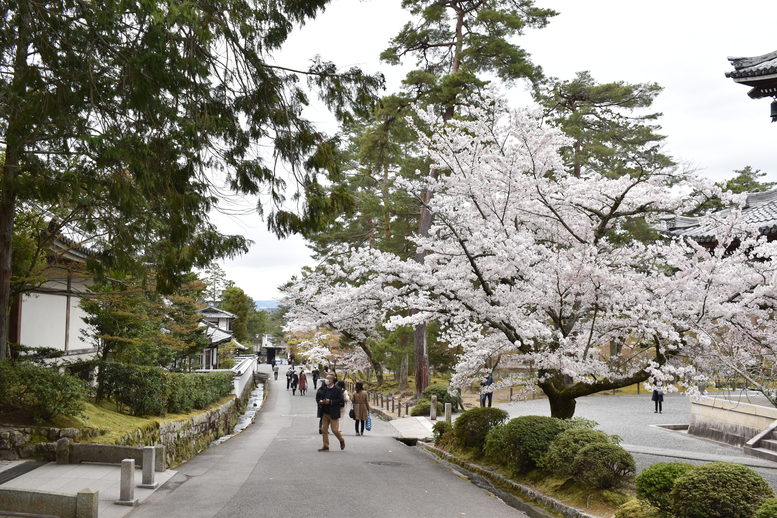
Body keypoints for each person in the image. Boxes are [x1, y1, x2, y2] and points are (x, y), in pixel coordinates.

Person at [316, 374, 345, 451]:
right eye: (326, 378)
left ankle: (341, 440)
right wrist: (321, 401)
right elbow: (321, 397)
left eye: (328, 379)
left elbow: (341, 401)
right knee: (323, 429)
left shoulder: (338, 390)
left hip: (333, 412)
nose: (326, 380)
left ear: (332, 380)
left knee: (334, 430)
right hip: (325, 412)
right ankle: (326, 445)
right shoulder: (324, 389)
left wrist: (331, 401)